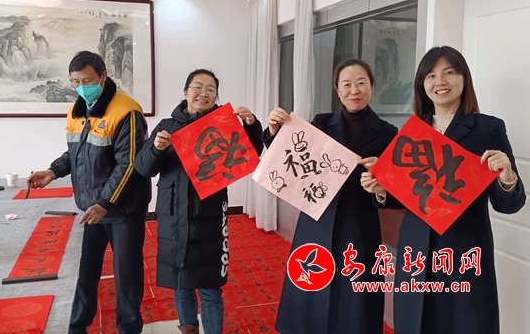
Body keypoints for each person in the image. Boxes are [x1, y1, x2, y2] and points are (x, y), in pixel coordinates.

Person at [361, 46, 526, 334]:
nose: (440, 82)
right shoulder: (412, 132)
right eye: (431, 75)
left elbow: (508, 205)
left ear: (464, 78)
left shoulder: (487, 128)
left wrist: (508, 177)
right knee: (415, 322)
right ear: (422, 84)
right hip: (415, 246)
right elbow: (408, 196)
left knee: (465, 322)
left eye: (449, 72)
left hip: (463, 248)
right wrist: (381, 189)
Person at [265, 59, 398, 334]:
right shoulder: (321, 124)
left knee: (355, 299)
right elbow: (290, 157)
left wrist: (381, 187)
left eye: (361, 83)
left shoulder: (388, 133)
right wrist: (275, 130)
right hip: (316, 223)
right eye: (346, 84)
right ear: (337, 90)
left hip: (359, 226)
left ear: (372, 86)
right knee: (311, 288)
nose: (354, 91)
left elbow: (394, 193)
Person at [27, 51, 151, 334]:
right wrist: (53, 171)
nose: (81, 87)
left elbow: (129, 165)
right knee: (84, 271)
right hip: (92, 208)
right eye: (75, 81)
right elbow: (77, 153)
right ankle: (77, 325)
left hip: (122, 210)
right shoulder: (77, 110)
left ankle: (129, 328)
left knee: (126, 275)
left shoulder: (127, 111)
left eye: (87, 80)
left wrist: (105, 203)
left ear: (103, 76)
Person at [134, 69, 263, 334]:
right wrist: (157, 149)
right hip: (173, 215)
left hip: (210, 213)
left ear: (216, 96)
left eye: (211, 89)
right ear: (185, 92)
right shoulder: (167, 126)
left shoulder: (223, 126)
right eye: (197, 87)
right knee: (181, 283)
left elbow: (249, 153)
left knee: (210, 286)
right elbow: (143, 168)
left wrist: (251, 126)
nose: (203, 93)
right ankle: (189, 329)